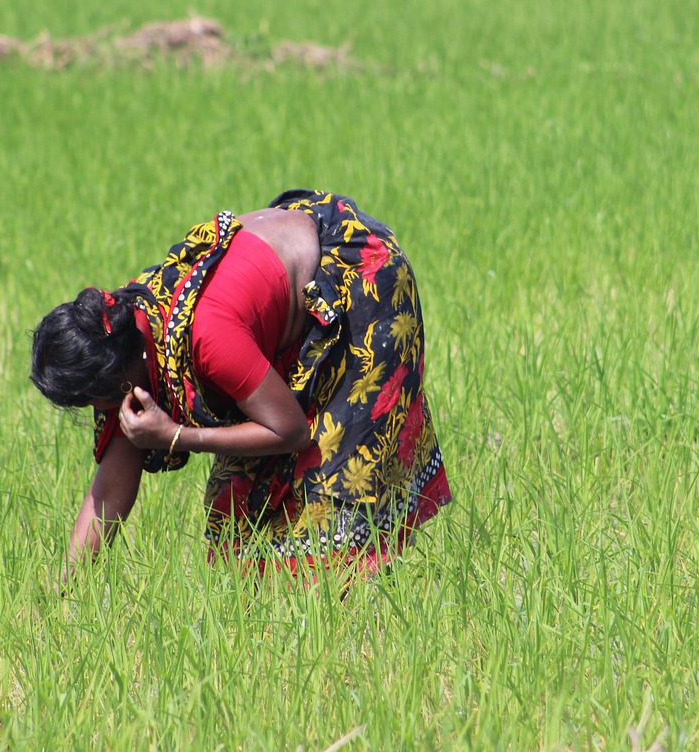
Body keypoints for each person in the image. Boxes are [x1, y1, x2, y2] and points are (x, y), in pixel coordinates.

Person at [30, 190, 451, 579]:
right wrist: (66, 590)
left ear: (118, 378)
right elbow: (111, 483)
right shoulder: (128, 333)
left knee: (337, 502)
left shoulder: (207, 338)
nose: (99, 413)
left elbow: (289, 431)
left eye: (96, 401)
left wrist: (177, 435)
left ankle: (366, 625)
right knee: (236, 507)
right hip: (293, 303)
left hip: (360, 288)